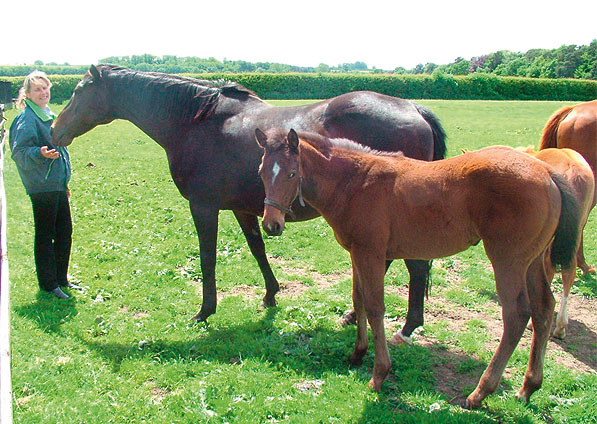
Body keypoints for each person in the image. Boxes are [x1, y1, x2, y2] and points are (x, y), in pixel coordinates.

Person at [9, 70, 81, 299]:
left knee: (64, 232)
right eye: (38, 89)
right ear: (27, 94)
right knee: (46, 235)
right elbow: (19, 152)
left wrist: (64, 182)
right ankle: (49, 284)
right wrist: (39, 153)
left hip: (56, 184)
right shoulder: (27, 118)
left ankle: (61, 279)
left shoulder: (46, 113)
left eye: (45, 88)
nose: (43, 92)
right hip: (42, 186)